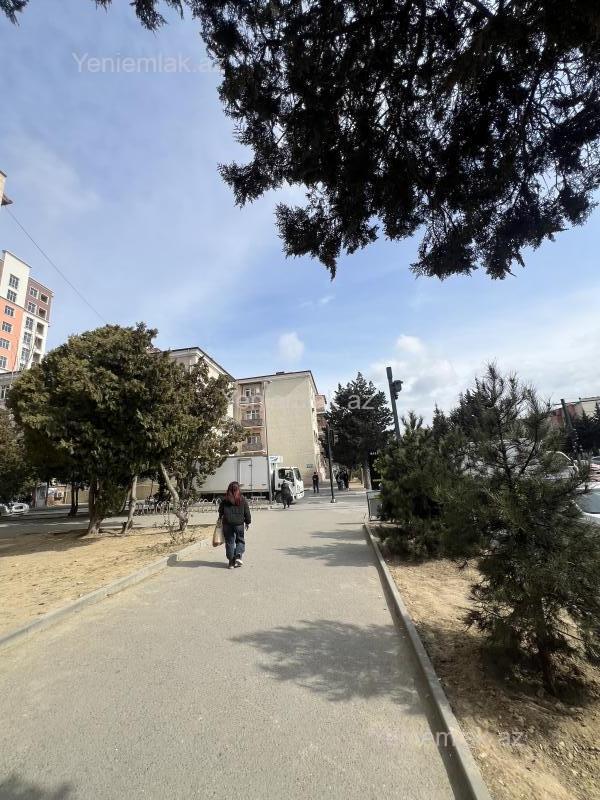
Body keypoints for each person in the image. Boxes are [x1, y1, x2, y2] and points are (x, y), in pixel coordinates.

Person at [218, 481, 251, 569]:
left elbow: (220, 511)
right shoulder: (242, 499)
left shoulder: (225, 499)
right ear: (238, 489)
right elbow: (247, 512)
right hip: (239, 524)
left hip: (227, 524)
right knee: (240, 540)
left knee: (229, 542)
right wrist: (247, 522)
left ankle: (231, 563)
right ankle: (238, 555)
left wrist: (220, 517)